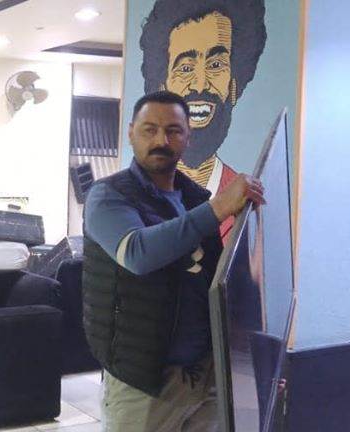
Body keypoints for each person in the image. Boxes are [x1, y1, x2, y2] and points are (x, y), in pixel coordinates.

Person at [82, 91, 265, 431]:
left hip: (206, 373)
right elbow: (136, 253)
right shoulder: (108, 196)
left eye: (173, 131)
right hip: (143, 381)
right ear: (131, 132)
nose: (161, 141)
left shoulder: (193, 198)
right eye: (149, 129)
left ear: (187, 137)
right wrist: (218, 208)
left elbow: (212, 280)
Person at [139, 0, 267, 240]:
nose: (200, 84)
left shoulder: (248, 201)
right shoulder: (131, 199)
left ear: (233, 84)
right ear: (163, 86)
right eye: (185, 68)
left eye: (216, 64)